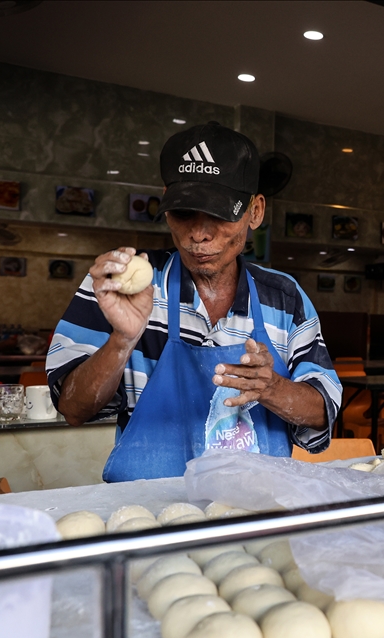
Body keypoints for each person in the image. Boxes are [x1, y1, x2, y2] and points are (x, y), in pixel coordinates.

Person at [47, 122, 341, 482]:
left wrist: (271, 388)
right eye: (184, 213)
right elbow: (73, 409)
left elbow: (323, 411)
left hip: (257, 509)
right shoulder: (119, 286)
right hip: (148, 510)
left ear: (255, 211)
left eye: (218, 214)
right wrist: (122, 341)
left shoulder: (284, 297)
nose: (198, 234)